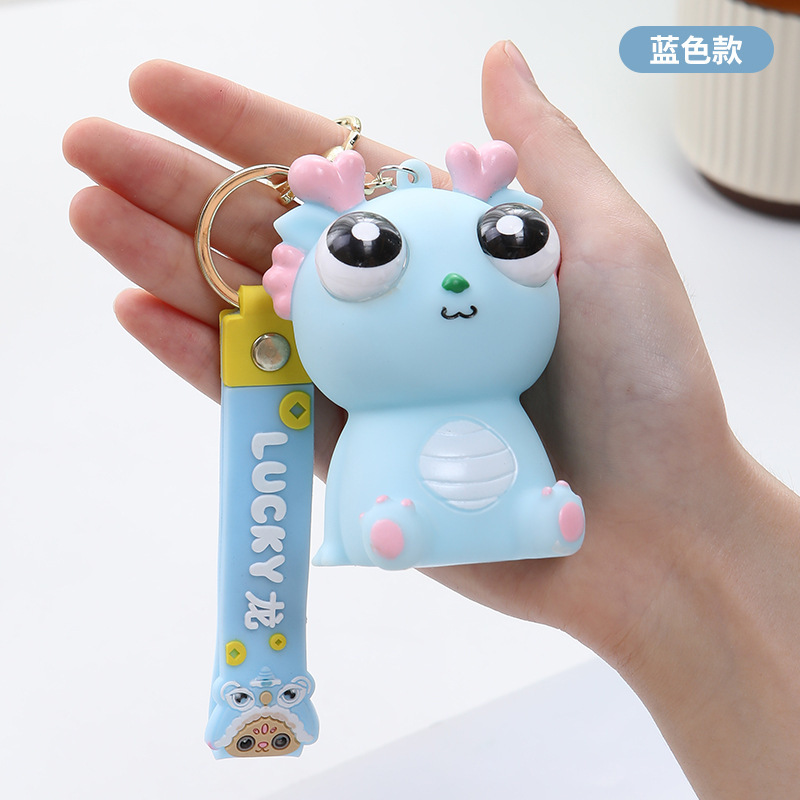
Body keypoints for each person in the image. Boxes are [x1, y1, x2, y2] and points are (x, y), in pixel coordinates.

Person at [63, 40, 800, 799]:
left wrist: (691, 537)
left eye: (507, 245)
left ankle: (533, 516)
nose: (452, 283)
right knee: (391, 506)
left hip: (509, 438)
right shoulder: (361, 381)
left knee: (526, 499)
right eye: (372, 260)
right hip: (389, 467)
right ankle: (390, 526)